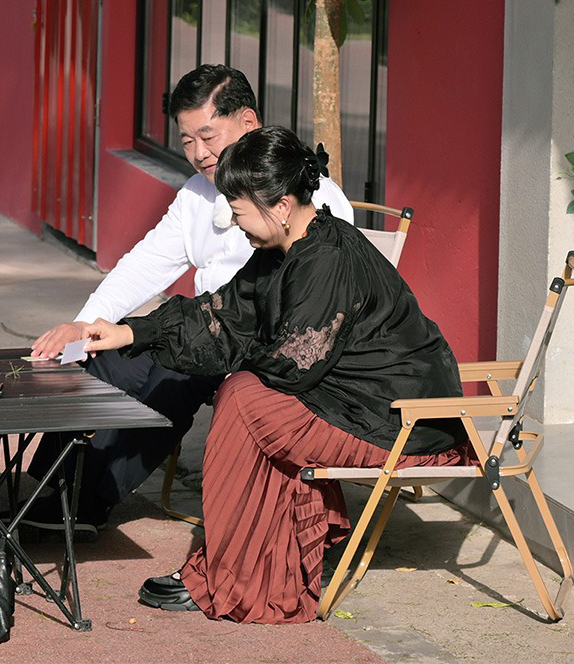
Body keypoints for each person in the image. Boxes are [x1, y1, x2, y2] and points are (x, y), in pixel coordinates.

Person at [82, 126, 472, 623]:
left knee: (247, 401)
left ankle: (235, 577)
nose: (233, 221)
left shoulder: (327, 258)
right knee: (246, 395)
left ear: (281, 206)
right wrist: (129, 331)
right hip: (354, 405)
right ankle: (249, 571)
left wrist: (230, 370)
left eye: (239, 210)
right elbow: (222, 313)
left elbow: (293, 363)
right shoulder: (283, 250)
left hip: (400, 422)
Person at [25, 65, 354, 533]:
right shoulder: (197, 192)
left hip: (267, 348)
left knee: (174, 370)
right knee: (104, 359)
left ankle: (87, 504)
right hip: (207, 331)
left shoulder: (306, 196)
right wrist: (86, 325)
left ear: (247, 121)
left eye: (208, 136)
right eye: (186, 141)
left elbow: (311, 307)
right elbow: (146, 262)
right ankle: (50, 488)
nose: (199, 154)